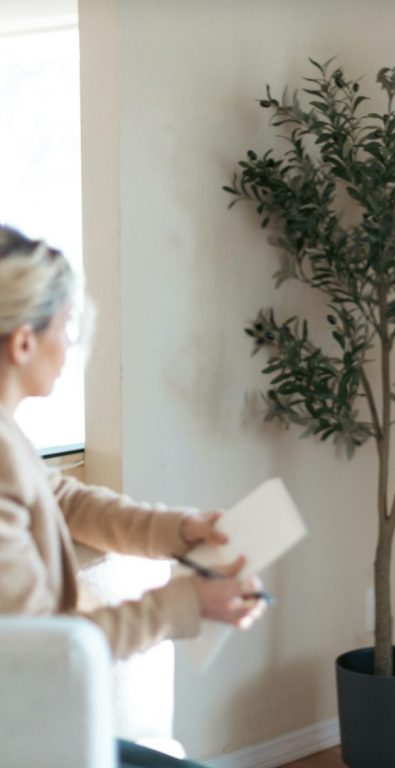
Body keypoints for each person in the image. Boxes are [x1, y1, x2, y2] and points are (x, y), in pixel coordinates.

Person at [0, 224, 267, 767]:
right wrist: (188, 605)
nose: (71, 342)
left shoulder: (7, 433)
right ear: (24, 341)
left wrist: (178, 530)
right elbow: (47, 656)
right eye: (64, 325)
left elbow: (64, 499)